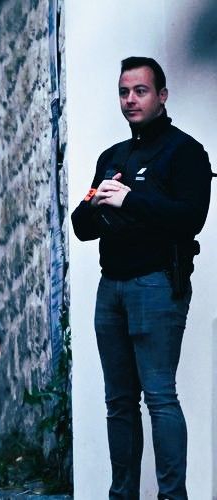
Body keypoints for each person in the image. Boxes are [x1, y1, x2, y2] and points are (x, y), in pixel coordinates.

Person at [71, 57, 212, 500]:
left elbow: (191, 218)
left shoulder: (185, 151)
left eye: (140, 91)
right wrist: (98, 204)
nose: (130, 100)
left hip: (157, 284)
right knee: (118, 402)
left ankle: (172, 496)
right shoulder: (112, 157)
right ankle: (122, 495)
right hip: (110, 287)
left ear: (162, 96)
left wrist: (130, 200)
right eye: (124, 92)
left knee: (160, 397)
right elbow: (80, 226)